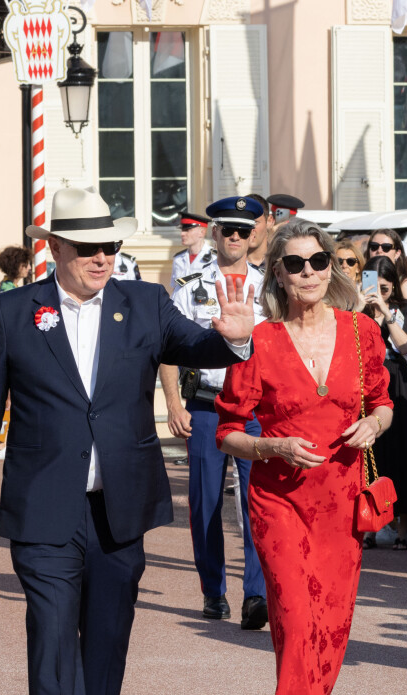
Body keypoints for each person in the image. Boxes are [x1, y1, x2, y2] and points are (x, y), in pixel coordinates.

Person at [0, 187, 256, 695]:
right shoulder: (14, 313)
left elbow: (196, 344)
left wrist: (232, 342)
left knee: (109, 642)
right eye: (87, 247)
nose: (102, 257)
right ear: (54, 248)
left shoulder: (142, 302)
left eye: (110, 247)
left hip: (120, 507)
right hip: (44, 510)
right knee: (53, 641)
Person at [215, 219, 393, 695]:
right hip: (279, 500)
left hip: (341, 501)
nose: (311, 273)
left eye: (320, 262)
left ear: (333, 267)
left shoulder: (363, 331)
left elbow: (386, 401)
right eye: (296, 264)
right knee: (294, 620)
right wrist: (273, 446)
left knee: (332, 632)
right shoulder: (260, 340)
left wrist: (373, 424)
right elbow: (228, 433)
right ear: (280, 275)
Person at [160, 196, 267, 629]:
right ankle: (213, 591)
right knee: (204, 503)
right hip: (206, 406)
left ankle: (256, 594)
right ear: (215, 233)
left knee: (256, 503)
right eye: (228, 230)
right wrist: (171, 403)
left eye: (244, 230)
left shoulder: (270, 287)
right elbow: (168, 350)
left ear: (254, 234)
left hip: (257, 410)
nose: (236, 237)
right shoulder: (190, 288)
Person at [360, 256, 407, 548]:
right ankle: (371, 526)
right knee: (371, 453)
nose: (378, 293)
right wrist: (362, 306)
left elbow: (405, 345)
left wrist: (386, 313)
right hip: (365, 382)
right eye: (374, 287)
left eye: (385, 288)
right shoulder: (358, 309)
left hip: (397, 385)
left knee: (402, 454)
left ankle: (402, 529)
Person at [365, 228, 407, 302]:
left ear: (397, 253)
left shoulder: (403, 283)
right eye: (374, 246)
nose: (379, 251)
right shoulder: (363, 278)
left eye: (386, 247)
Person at [170, 212, 213, 292]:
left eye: (187, 230)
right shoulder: (178, 259)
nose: (182, 234)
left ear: (202, 232)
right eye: (182, 230)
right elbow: (175, 289)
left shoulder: (215, 258)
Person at [246, 194, 274, 270]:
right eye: (245, 223)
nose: (250, 229)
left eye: (255, 222)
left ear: (269, 221)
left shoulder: (280, 261)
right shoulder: (230, 264)